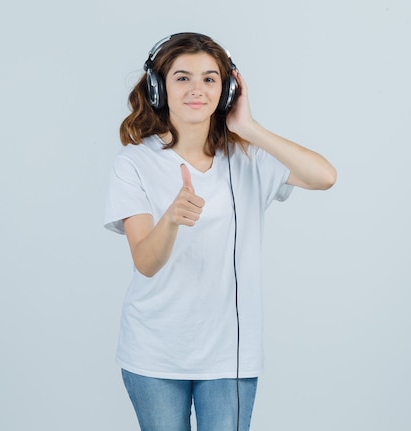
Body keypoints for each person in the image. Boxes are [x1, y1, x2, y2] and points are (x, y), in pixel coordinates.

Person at [104, 32, 336, 431]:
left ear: (227, 89)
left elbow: (325, 177)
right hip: (155, 350)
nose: (197, 89)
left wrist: (248, 125)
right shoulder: (133, 163)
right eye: (182, 78)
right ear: (159, 88)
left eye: (210, 79)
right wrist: (172, 218)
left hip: (230, 355)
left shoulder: (248, 156)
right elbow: (145, 262)